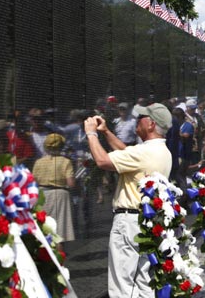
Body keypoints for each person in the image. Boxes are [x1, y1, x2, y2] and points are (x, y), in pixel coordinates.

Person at [84, 103, 172, 298]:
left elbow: (103, 161)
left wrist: (91, 134)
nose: (135, 121)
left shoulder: (143, 153)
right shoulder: (161, 151)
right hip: (145, 222)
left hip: (129, 221)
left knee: (122, 284)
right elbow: (127, 152)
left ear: (150, 124)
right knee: (142, 281)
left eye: (140, 117)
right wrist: (106, 131)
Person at [32, 133, 75, 247]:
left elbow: (33, 181)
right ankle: (60, 261)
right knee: (58, 232)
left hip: (41, 195)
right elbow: (70, 183)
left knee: (44, 229)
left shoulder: (38, 162)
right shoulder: (66, 161)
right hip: (60, 195)